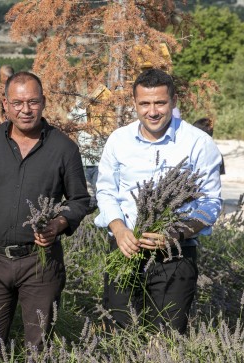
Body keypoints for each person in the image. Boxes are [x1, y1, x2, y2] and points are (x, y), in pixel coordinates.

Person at [0, 72, 90, 355]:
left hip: (40, 263)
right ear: (5, 104)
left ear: (44, 103)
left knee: (38, 348)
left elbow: (80, 200)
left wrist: (59, 223)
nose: (25, 109)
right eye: (17, 102)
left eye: (32, 102)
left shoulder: (64, 148)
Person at [95, 69, 222, 334]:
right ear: (135, 104)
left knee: (165, 340)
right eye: (145, 103)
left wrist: (176, 233)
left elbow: (211, 203)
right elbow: (106, 191)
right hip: (124, 251)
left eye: (160, 103)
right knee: (119, 336)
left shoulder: (199, 143)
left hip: (175, 256)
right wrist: (119, 230)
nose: (152, 111)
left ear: (173, 102)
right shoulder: (119, 140)